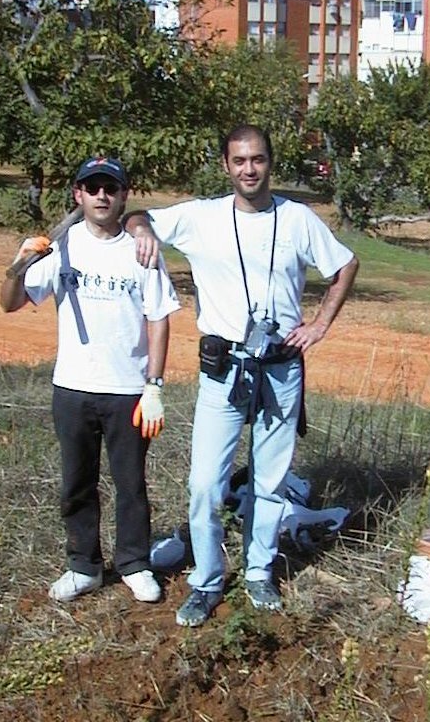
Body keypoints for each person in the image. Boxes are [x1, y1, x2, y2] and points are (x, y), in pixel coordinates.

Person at [124, 124, 359, 627]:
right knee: (206, 483)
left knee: (269, 483)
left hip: (280, 370)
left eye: (257, 160)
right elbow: (137, 216)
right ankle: (207, 581)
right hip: (223, 370)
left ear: (270, 163)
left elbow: (345, 265)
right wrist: (142, 230)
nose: (249, 169)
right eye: (239, 161)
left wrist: (319, 323)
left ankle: (259, 571)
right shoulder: (202, 217)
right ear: (226, 166)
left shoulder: (296, 219)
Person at [0, 156, 180, 604]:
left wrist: (154, 385)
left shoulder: (142, 251)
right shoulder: (61, 248)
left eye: (111, 188)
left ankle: (135, 563)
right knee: (77, 483)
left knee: (131, 484)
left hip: (127, 391)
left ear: (124, 195)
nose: (102, 195)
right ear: (78, 195)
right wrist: (19, 262)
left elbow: (158, 319)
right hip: (73, 388)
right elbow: (9, 302)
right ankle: (84, 566)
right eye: (92, 187)